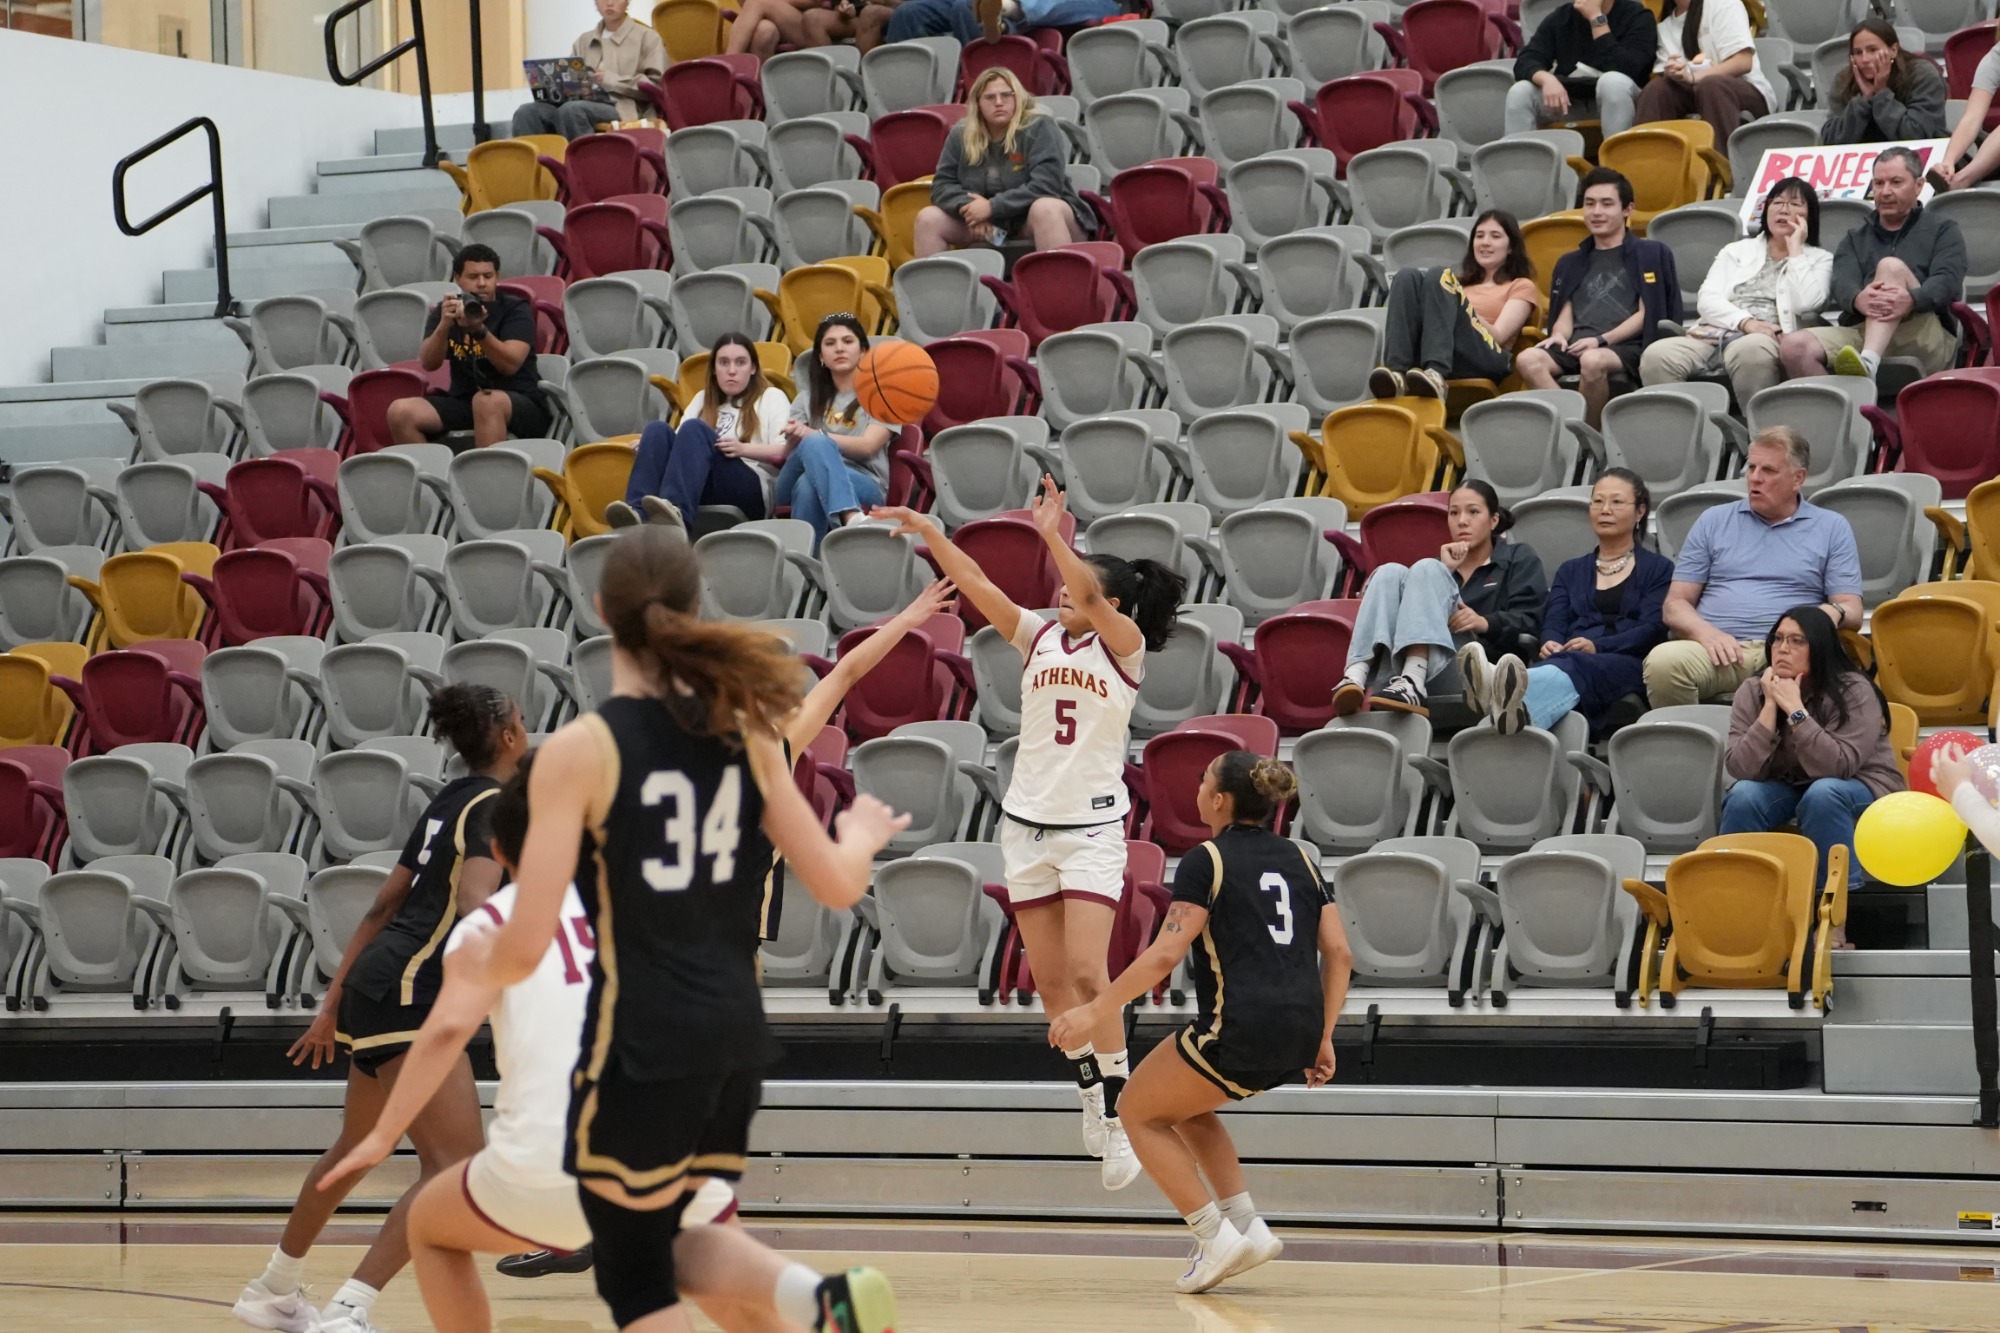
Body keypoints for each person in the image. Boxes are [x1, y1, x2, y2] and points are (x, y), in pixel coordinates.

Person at [489, 525, 909, 1333]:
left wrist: (481, 963)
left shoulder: (583, 747)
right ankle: (816, 1300)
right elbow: (834, 879)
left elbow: (528, 936)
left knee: (634, 1276)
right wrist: (859, 831)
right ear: (691, 607)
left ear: (601, 609)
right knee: (681, 1236)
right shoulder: (749, 731)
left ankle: (814, 1300)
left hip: (644, 1037)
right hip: (734, 1034)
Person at [315, 755, 741, 1333]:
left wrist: (385, 1135)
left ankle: (355, 1305)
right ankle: (802, 1300)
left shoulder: (488, 925)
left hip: (542, 1167)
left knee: (431, 1225)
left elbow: (442, 1034)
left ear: (506, 854)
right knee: (686, 1270)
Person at [876, 480, 1187, 1192]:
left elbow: (1090, 591)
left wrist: (1053, 535)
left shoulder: (1125, 648)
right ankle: (1087, 1088)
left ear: (1105, 603)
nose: (1059, 599)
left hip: (1091, 828)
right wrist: (931, 528)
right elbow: (976, 580)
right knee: (1046, 982)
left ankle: (1118, 1109)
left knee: (1086, 974)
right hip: (1026, 824)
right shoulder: (1039, 635)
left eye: (1073, 593)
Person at [233, 685, 528, 1333]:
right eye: (523, 721)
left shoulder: (449, 800)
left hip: (374, 980)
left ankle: (274, 1288)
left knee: (361, 1146)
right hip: (414, 988)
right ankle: (350, 1307)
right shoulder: (495, 807)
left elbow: (380, 904)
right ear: (508, 736)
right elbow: (479, 901)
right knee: (455, 1164)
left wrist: (330, 1006)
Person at [1050, 753, 1349, 1295]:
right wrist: (1323, 1035)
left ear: (1219, 800)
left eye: (1203, 777)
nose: (1198, 784)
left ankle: (1212, 1238)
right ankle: (1248, 1228)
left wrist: (1094, 1009)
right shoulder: (1303, 858)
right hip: (1302, 1029)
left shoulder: (1205, 859)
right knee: (1185, 1107)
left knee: (1136, 1109)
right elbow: (1341, 954)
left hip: (1240, 1024)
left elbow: (1166, 954)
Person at [1643, 426, 1863, 709]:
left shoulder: (1831, 527)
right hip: (1716, 651)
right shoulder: (1713, 521)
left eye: (1769, 471)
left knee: (1811, 672)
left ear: (1798, 479)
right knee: (1662, 663)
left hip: (1789, 650)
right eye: (1751, 468)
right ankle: (1691, 749)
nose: (1755, 478)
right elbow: (1675, 604)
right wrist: (1705, 633)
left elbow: (1853, 611)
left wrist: (1833, 612)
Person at [1455, 469, 1672, 739]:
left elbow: (1651, 629)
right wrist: (1550, 641)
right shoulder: (1570, 570)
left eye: (1616, 502)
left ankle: (1495, 685)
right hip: (1567, 658)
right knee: (1562, 663)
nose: (1605, 510)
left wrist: (1597, 646)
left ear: (1640, 512)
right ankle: (1508, 704)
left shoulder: (1659, 569)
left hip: (1626, 662)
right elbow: (1554, 622)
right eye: (1597, 501)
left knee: (1570, 664)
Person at [1722, 605, 1905, 909]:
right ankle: (1738, 909)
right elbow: (1741, 768)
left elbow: (1838, 766)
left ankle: (1834, 915)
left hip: (1861, 786)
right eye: (1777, 639)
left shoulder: (1854, 689)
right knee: (1743, 796)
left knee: (1824, 794)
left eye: (1797, 641)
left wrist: (1796, 711)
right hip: (1790, 786)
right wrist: (1770, 707)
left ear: (1819, 648)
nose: (1782, 649)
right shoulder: (1753, 691)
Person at [1332, 479, 1548, 720]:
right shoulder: (1435, 569)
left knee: (1426, 567)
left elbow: (1532, 622)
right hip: (1412, 679)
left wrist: (1485, 622)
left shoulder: (1519, 557)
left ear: (1494, 520)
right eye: (1453, 513)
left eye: (1473, 512)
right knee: (1388, 572)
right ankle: (1356, 675)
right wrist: (1445, 572)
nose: (1462, 521)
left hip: (1481, 672)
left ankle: (1413, 678)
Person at [1778, 147, 1967, 384]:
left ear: (1919, 186)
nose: (1885, 191)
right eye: (1878, 183)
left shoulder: (1943, 229)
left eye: (1896, 182)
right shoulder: (1854, 238)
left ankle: (1868, 362)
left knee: (1890, 267)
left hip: (1922, 331)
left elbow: (1947, 281)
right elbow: (1842, 282)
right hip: (1862, 331)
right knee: (1793, 347)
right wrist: (1858, 299)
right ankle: (1848, 411)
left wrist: (1912, 300)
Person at [1639, 176, 1831, 405]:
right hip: (1715, 332)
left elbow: (1807, 304)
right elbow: (1707, 299)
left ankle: (1761, 434)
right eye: (1777, 202)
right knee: (1656, 356)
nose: (1784, 209)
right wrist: (1745, 322)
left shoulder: (1819, 259)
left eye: (1795, 204)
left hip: (1768, 337)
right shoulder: (1736, 250)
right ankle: (1688, 435)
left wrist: (1796, 250)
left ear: (1810, 215)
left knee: (1750, 349)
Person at [1516, 168, 1683, 429]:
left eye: (1607, 204)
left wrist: (1601, 340)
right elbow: (1566, 312)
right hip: (1578, 345)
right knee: (1527, 359)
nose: (1596, 212)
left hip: (1627, 346)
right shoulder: (1570, 262)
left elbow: (1646, 313)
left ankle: (1590, 432)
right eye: (1590, 204)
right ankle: (1573, 428)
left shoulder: (1650, 253)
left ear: (1627, 209)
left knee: (1593, 360)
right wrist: (1559, 334)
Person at [607, 334, 794, 530]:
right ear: (714, 369)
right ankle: (636, 511)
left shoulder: (771, 396)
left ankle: (676, 510)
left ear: (753, 368)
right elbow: (680, 448)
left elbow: (784, 452)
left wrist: (742, 449)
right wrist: (652, 445)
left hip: (752, 488)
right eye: (724, 363)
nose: (732, 371)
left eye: (740, 363)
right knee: (656, 430)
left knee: (695, 429)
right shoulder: (702, 399)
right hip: (702, 483)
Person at [915, 67, 1094, 259]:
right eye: (990, 97)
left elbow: (1047, 185)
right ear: (978, 103)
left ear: (1018, 98)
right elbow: (941, 186)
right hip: (991, 228)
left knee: (1045, 208)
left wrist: (992, 207)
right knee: (928, 218)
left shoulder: (1039, 126)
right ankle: (935, 288)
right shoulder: (960, 135)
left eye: (1006, 95)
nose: (999, 103)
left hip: (1037, 220)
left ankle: (1059, 284)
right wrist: (970, 210)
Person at [388, 243, 550, 450]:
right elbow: (429, 363)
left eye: (488, 276)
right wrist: (444, 325)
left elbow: (510, 365)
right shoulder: (446, 309)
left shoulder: (515, 308)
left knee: (485, 402)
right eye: (473, 277)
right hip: (465, 400)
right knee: (400, 411)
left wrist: (478, 330)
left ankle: (484, 479)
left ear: (497, 276)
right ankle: (432, 480)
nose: (482, 283)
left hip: (521, 402)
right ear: (458, 279)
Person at [1367, 209, 1539, 402]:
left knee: (1438, 275)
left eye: (1495, 236)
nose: (1485, 242)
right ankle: (1396, 372)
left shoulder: (1520, 285)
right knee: (1406, 276)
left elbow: (1499, 335)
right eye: (1479, 236)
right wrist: (1455, 296)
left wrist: (1459, 304)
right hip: (1447, 351)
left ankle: (1436, 373)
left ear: (1510, 247)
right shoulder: (1457, 286)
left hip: (1486, 357)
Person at [779, 314, 894, 547]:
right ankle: (850, 517)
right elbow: (784, 453)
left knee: (807, 484)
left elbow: (868, 447)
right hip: (795, 474)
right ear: (821, 356)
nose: (839, 348)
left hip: (863, 480)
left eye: (847, 341)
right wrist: (792, 437)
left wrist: (816, 436)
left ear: (863, 351)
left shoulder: (883, 395)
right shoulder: (805, 399)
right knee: (810, 449)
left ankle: (808, 571)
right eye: (830, 344)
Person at [511, 0, 666, 141]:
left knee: (572, 110)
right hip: (582, 103)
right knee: (527, 113)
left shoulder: (648, 37)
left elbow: (655, 86)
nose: (610, 3)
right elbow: (570, 82)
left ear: (627, 2)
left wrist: (611, 80)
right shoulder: (583, 41)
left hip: (625, 107)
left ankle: (584, 167)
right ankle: (538, 167)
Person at [1506, 0, 1658, 139]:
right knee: (1520, 91)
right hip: (1570, 100)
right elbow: (1526, 59)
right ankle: (1519, 165)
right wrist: (1547, 79)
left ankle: (1618, 165)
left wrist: (1596, 20)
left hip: (1623, 102)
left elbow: (1630, 69)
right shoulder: (1561, 17)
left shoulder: (1637, 16)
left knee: (1612, 82)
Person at [1632, 0, 1773, 147]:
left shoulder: (1724, 5)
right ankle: (1647, 160)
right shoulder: (1664, 27)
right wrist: (1674, 72)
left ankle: (1724, 164)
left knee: (1711, 85)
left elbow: (1743, 62)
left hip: (1743, 90)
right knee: (1656, 89)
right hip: (1693, 93)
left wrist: (1694, 77)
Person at [1818, 17, 1949, 146]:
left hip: (1928, 159)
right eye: (1858, 52)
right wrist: (1863, 101)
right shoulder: (1844, 80)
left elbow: (1917, 135)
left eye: (1872, 50)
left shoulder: (1921, 74)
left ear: (1893, 50)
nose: (1864, 59)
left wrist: (1881, 93)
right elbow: (1831, 140)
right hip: (1865, 161)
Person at [1935, 40, 2000, 191]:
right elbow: (1972, 118)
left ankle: (1964, 178)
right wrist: (1948, 161)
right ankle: (1956, 179)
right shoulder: (1994, 59)